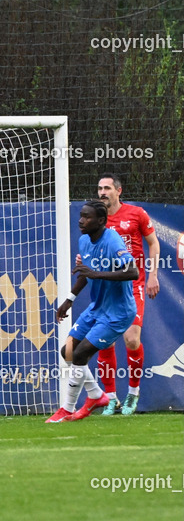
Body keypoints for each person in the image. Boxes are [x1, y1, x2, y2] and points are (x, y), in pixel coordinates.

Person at [48, 201, 138, 423]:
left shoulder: (113, 240)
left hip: (118, 312)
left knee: (80, 355)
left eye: (87, 217)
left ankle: (67, 409)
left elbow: (133, 272)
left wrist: (96, 273)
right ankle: (97, 395)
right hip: (97, 307)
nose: (81, 220)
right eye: (81, 216)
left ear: (101, 221)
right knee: (68, 352)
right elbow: (85, 273)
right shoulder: (84, 241)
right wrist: (69, 300)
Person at [94, 174, 160, 415]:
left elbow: (153, 243)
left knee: (131, 339)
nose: (102, 192)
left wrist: (153, 275)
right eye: (100, 188)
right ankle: (111, 398)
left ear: (118, 191)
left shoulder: (136, 214)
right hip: (107, 288)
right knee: (104, 340)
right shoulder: (95, 219)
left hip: (133, 285)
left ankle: (133, 394)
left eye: (107, 188)